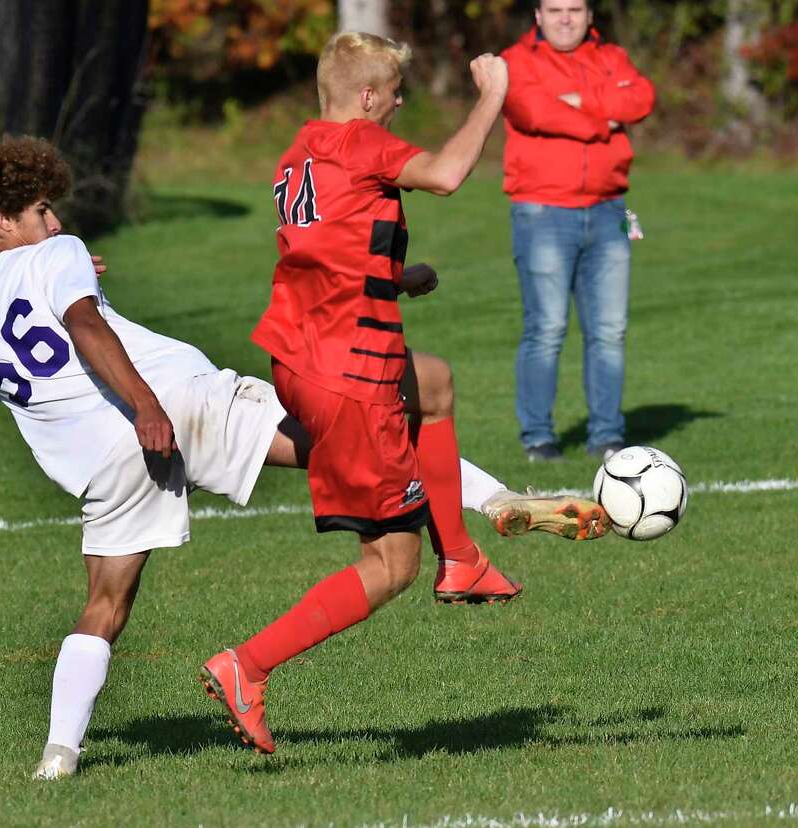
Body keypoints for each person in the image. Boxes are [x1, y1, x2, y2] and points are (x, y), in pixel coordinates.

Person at [0, 136, 605, 777]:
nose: (55, 221)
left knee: (105, 604)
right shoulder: (58, 254)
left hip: (107, 468)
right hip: (182, 408)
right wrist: (145, 403)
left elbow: (4, 380)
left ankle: (59, 756)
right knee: (354, 431)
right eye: (40, 212)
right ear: (3, 219)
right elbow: (83, 325)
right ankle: (490, 505)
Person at [197, 32, 605, 757]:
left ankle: (463, 557)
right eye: (392, 93)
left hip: (299, 355)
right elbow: (447, 174)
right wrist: (493, 97)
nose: (400, 103)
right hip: (351, 374)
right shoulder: (362, 141)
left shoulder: (299, 154)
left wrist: (395, 276)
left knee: (438, 382)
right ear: (364, 99)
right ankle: (247, 666)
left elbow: (327, 252)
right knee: (391, 565)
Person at [500, 0, 655, 462]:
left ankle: (607, 434)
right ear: (537, 16)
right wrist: (605, 118)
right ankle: (538, 439)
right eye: (555, 9)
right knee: (546, 328)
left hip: (609, 211)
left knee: (609, 330)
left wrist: (581, 103)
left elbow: (641, 99)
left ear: (590, 16)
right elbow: (534, 113)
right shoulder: (515, 62)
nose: (564, 18)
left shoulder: (612, 57)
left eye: (574, 9)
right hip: (542, 211)